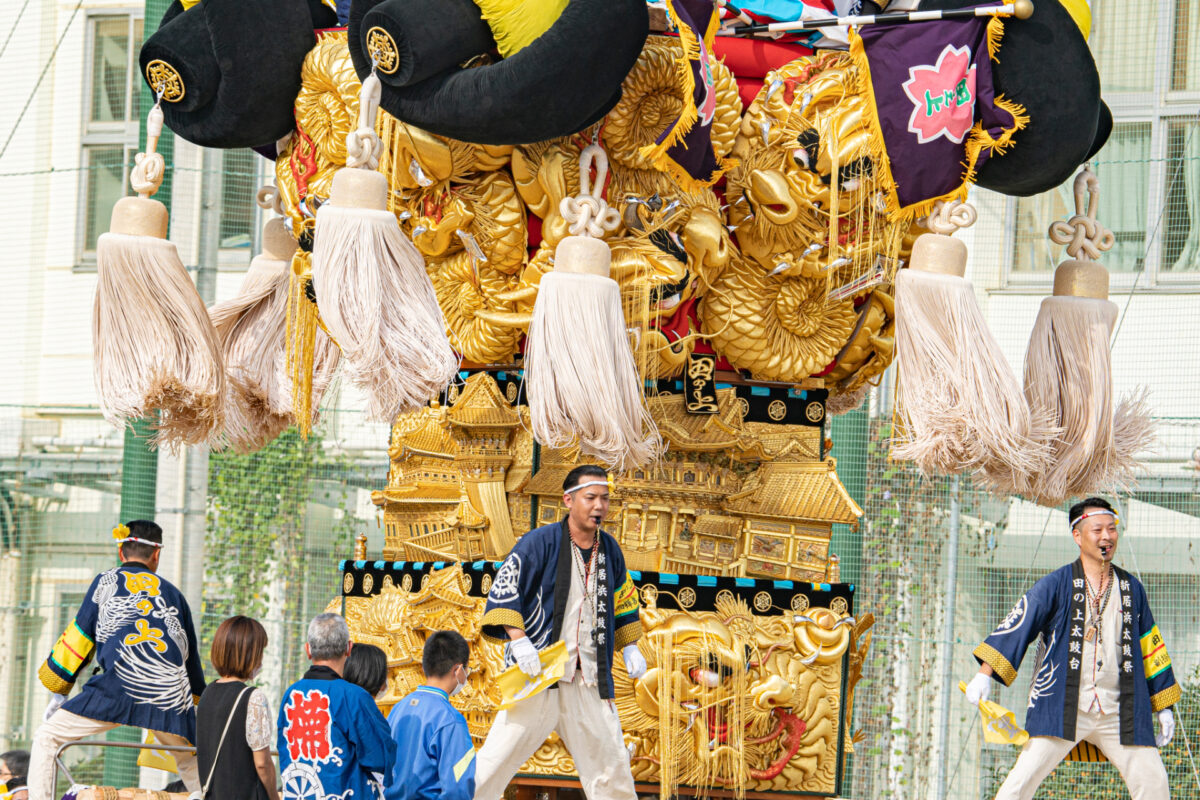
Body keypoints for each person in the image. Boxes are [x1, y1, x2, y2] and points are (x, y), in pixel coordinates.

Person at [965, 497, 1178, 800]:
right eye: (1097, 530)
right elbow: (1020, 624)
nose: (1106, 536)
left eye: (1111, 529)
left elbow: (1150, 647)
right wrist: (984, 674)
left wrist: (1164, 707)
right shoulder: (1055, 584)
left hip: (1120, 711)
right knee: (1020, 783)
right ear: (1077, 536)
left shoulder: (1132, 590)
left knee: (1154, 783)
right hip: (1064, 706)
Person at [473, 465, 646, 800]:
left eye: (605, 499)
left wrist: (630, 647)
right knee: (494, 761)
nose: (599, 506)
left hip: (588, 678)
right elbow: (507, 588)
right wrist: (520, 641)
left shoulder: (610, 550)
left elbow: (624, 600)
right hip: (538, 672)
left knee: (612, 768)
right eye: (591, 497)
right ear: (569, 500)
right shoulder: (538, 543)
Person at [29, 521, 206, 800]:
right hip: (169, 695)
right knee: (190, 759)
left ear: (121, 552)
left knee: (47, 739)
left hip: (115, 688)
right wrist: (195, 704)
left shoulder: (106, 581)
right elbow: (189, 659)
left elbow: (80, 636)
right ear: (156, 556)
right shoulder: (174, 594)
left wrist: (59, 688)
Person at [277, 613, 396, 800]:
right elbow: (379, 756)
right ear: (348, 648)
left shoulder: (290, 695)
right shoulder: (353, 696)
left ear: (308, 650)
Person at [384, 632, 475, 800]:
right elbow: (458, 789)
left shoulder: (398, 709)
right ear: (457, 670)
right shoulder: (450, 720)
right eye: (466, 670)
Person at [196, 616, 280, 800]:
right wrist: (274, 796)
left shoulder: (207, 694)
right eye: (260, 652)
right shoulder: (252, 697)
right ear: (249, 654)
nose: (261, 660)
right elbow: (262, 763)